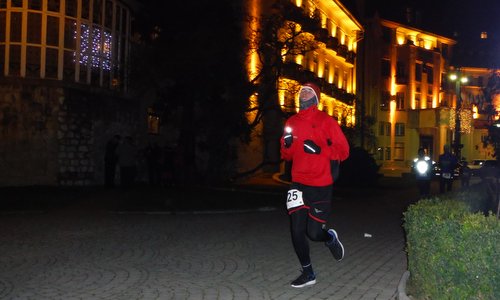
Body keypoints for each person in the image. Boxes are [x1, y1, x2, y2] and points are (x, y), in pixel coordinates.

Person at [280, 82, 350, 288]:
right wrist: (287, 144)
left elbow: (343, 151)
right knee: (296, 230)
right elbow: (286, 154)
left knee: (313, 233)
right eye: (302, 90)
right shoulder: (291, 121)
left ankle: (328, 238)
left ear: (316, 97)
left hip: (320, 183)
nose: (304, 92)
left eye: (308, 90)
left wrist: (321, 151)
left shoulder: (326, 121)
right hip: (298, 183)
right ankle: (308, 272)